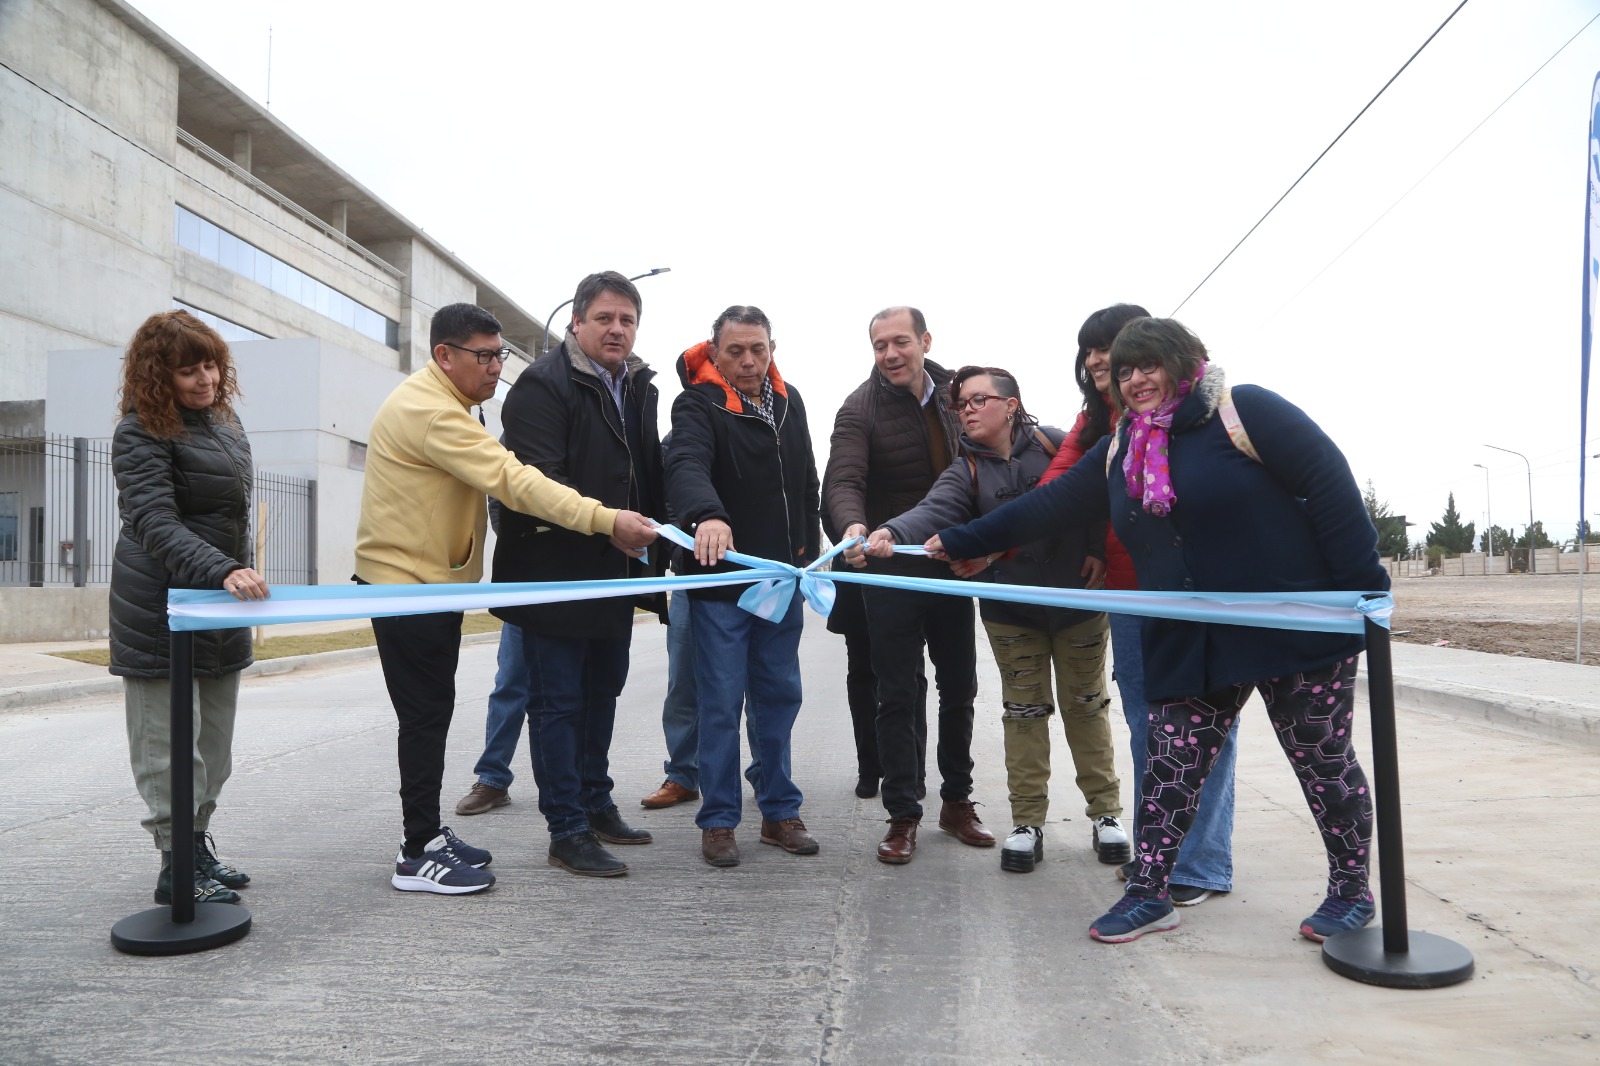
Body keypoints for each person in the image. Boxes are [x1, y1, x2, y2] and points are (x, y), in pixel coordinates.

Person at [929, 317, 1386, 944]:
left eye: (1150, 365)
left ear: (1185, 362)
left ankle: (1351, 891)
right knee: (1171, 767)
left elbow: (1331, 488)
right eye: (1124, 370)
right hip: (1192, 630)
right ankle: (1149, 893)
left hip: (1290, 625)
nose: (1136, 379)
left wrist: (1359, 594)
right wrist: (954, 540)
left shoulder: (1243, 411)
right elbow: (1045, 506)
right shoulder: (1123, 447)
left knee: (1322, 764)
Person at [355, 301, 656, 895]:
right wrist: (606, 519)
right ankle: (417, 853)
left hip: (426, 587)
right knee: (423, 719)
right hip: (406, 589)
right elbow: (514, 480)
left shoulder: (445, 403)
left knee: (431, 714)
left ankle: (427, 834)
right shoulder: (434, 414)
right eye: (485, 356)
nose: (496, 367)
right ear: (445, 355)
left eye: (501, 355)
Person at [865, 365, 1123, 874]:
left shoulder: (1057, 445)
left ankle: (1107, 815)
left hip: (1080, 604)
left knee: (1087, 707)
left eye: (978, 400)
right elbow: (935, 510)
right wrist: (890, 532)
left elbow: (1095, 495)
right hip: (1011, 613)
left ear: (1011, 404)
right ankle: (1027, 822)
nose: (966, 410)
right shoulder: (966, 470)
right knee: (1023, 714)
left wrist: (1095, 547)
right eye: (961, 403)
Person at [1039, 303, 1238, 905]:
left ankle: (1200, 865)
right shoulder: (1102, 421)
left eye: (1113, 349)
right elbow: (1057, 489)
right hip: (1129, 592)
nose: (1099, 360)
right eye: (1091, 351)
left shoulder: (1209, 411)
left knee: (1207, 729)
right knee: (1148, 726)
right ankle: (1160, 853)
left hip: (1201, 592)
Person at [489, 272, 665, 877]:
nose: (617, 329)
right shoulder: (541, 386)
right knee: (557, 703)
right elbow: (540, 484)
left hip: (613, 570)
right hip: (553, 571)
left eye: (627, 320)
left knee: (602, 692)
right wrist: (610, 523)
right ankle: (565, 828)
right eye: (605, 318)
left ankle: (594, 801)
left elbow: (646, 472)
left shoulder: (640, 385)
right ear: (577, 323)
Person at [825, 306, 994, 865]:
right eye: (879, 346)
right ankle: (903, 814)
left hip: (950, 563)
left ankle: (957, 801)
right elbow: (843, 480)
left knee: (960, 688)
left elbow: (995, 452)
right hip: (890, 567)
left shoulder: (959, 392)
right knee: (897, 692)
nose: (891, 354)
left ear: (924, 340)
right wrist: (850, 525)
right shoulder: (858, 408)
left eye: (900, 342)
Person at [110, 309, 268, 906]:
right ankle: (174, 863)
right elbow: (153, 521)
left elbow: (230, 516)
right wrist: (224, 569)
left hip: (218, 605)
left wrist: (235, 571)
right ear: (158, 375)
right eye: (187, 371)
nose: (204, 379)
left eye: (210, 365)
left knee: (214, 746)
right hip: (161, 609)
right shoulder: (139, 432)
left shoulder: (225, 424)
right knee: (168, 746)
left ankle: (197, 844)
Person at [665, 305, 821, 868]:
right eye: (736, 351)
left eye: (759, 349)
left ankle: (780, 812)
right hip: (722, 584)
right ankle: (719, 821)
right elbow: (685, 464)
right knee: (722, 703)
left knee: (778, 698)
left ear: (771, 348)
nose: (749, 361)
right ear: (716, 353)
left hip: (782, 581)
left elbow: (806, 479)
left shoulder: (789, 401)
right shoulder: (697, 404)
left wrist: (811, 547)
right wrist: (706, 513)